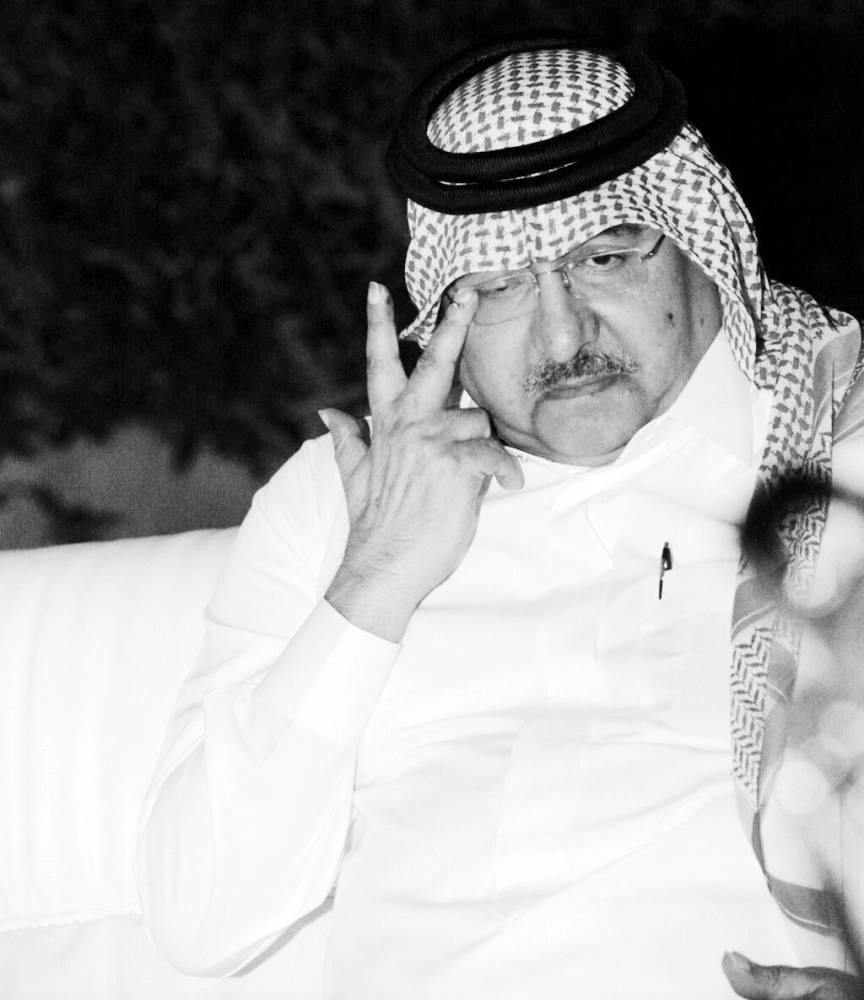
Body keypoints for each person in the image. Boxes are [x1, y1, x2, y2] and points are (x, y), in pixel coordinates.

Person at [135, 35, 864, 999]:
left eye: (606, 258)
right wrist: (376, 578)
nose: (563, 337)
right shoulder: (339, 498)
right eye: (501, 288)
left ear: (702, 239)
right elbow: (200, 919)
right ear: (443, 307)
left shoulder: (838, 443)